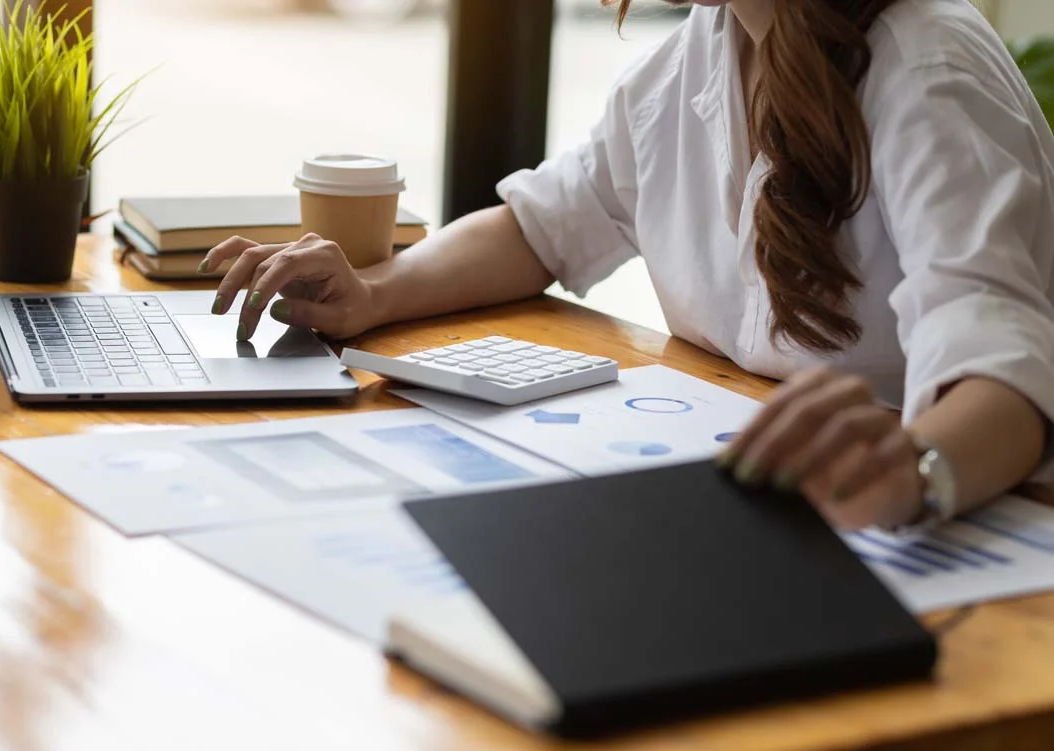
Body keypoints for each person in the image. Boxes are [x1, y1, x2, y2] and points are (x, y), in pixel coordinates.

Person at [199, 0, 1054, 533]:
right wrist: (373, 290)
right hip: (774, 510)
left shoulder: (927, 64)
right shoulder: (701, 50)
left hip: (961, 532)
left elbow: (1010, 375)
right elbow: (543, 224)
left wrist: (916, 471)